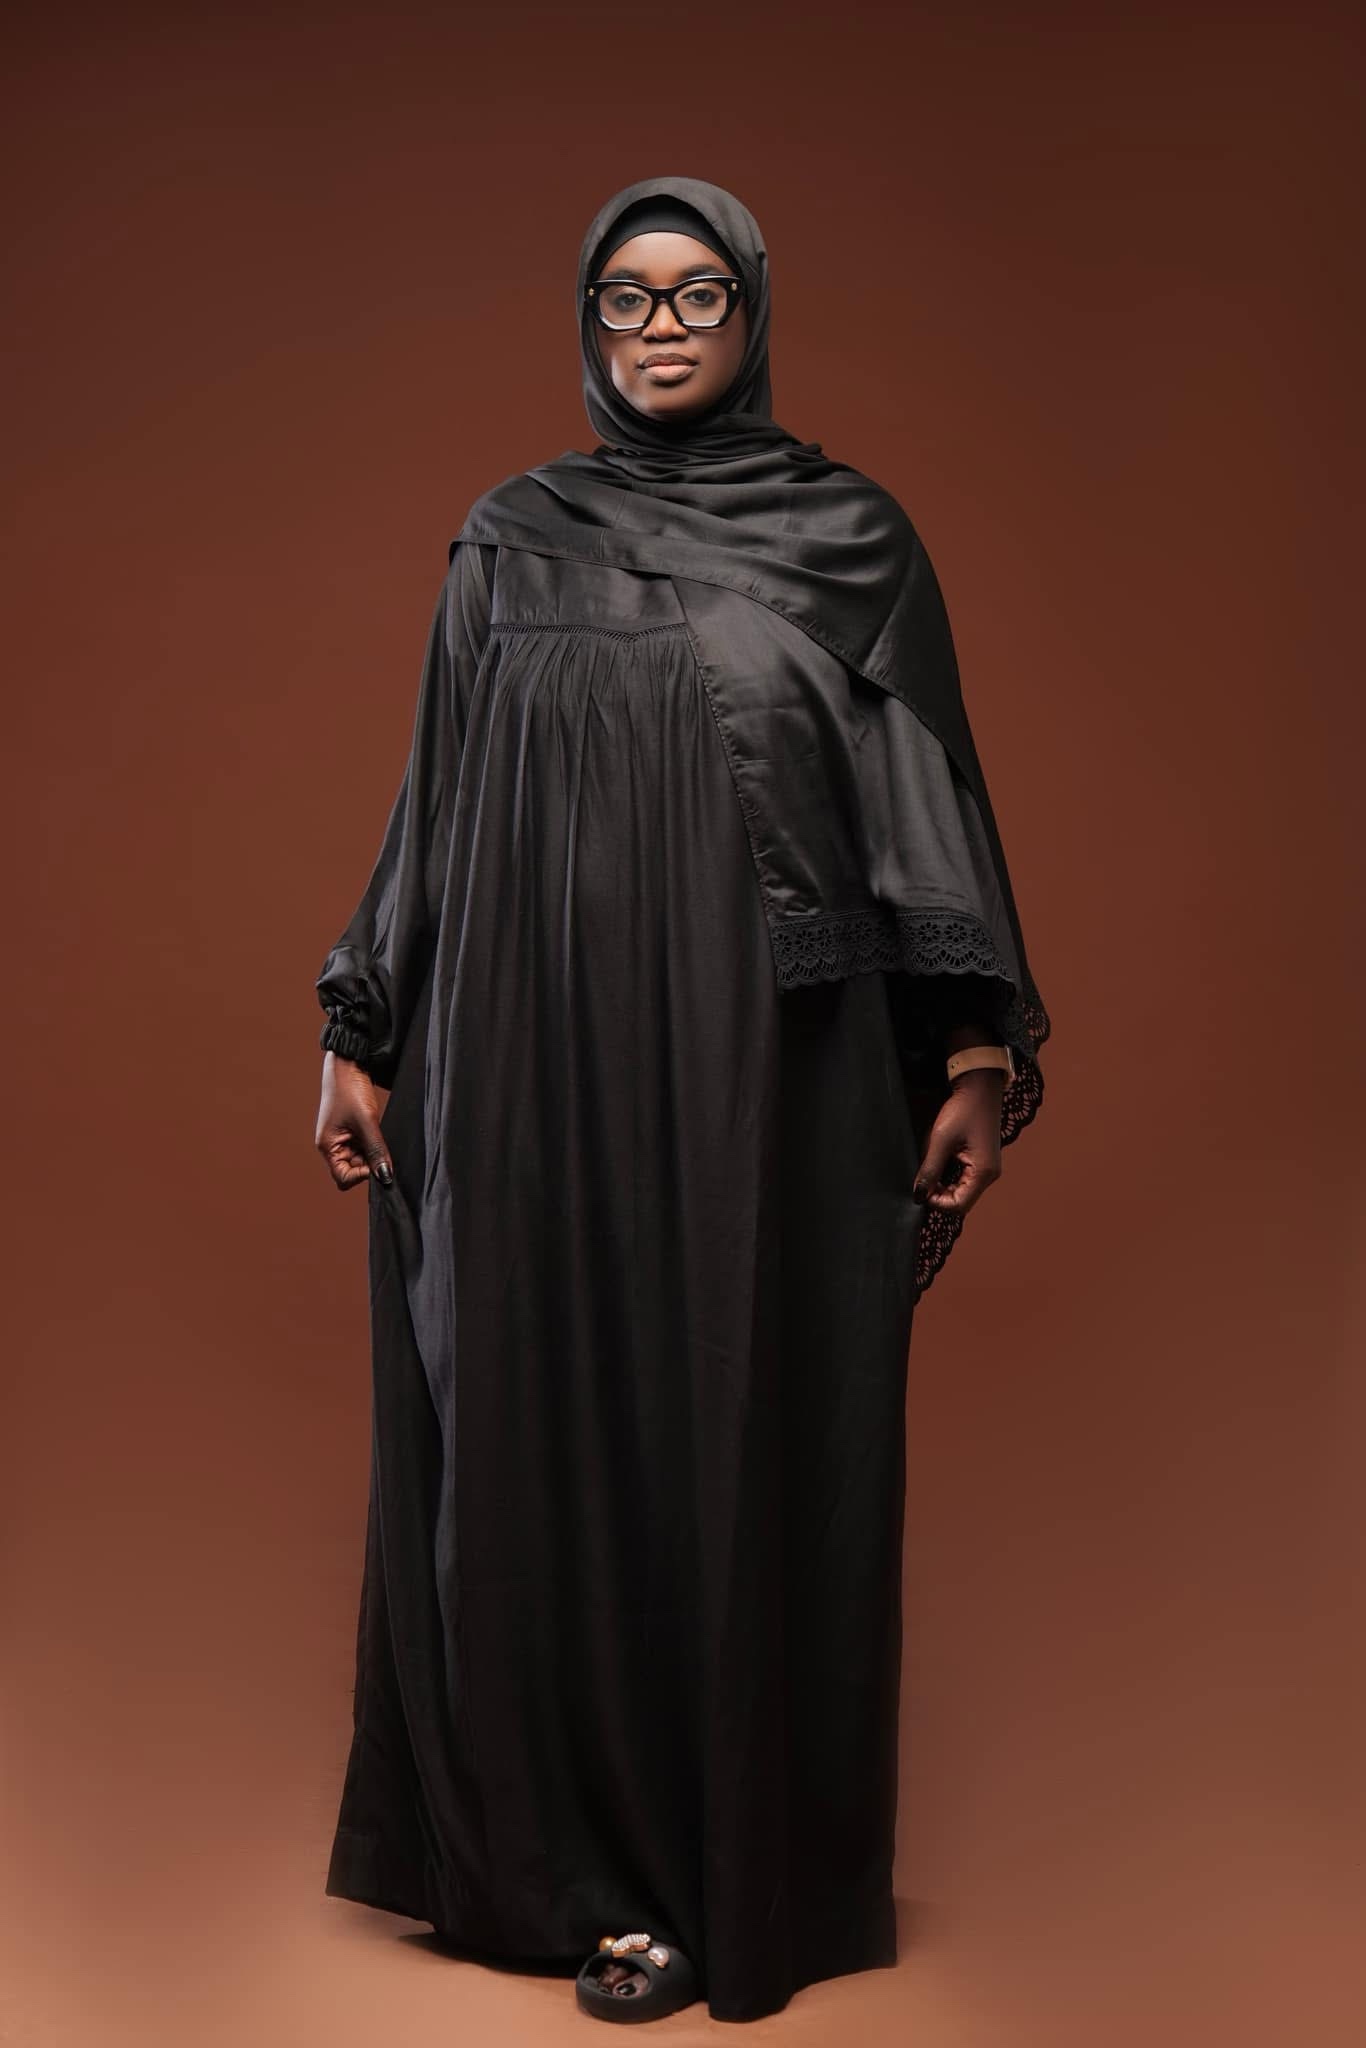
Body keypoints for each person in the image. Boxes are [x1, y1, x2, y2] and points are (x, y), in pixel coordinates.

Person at [311, 174, 1051, 2025]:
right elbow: (434, 796)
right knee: (536, 1422)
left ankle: (711, 1882)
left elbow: (923, 805)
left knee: (733, 1424)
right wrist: (361, 1019)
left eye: (697, 293)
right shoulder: (508, 539)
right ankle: (547, 1863)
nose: (659, 328)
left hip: (759, 1063)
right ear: (587, 319)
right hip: (524, 1047)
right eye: (627, 297)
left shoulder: (849, 541)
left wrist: (969, 1049)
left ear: (751, 315)